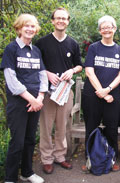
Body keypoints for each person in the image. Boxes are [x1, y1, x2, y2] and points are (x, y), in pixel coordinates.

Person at [1, 14, 48, 183]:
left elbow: (42, 75)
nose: (29, 29)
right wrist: (32, 99)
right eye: (26, 26)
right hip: (19, 103)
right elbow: (11, 80)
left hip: (35, 102)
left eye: (33, 26)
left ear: (36, 30)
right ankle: (10, 178)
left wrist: (40, 97)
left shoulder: (36, 51)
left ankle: (27, 172)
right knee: (17, 142)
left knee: (29, 140)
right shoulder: (11, 49)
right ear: (19, 28)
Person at [35, 7, 82, 174]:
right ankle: (47, 159)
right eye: (58, 18)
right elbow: (36, 64)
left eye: (64, 18)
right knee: (46, 127)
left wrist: (73, 71)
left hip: (65, 92)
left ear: (68, 21)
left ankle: (60, 156)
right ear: (52, 21)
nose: (61, 21)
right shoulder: (41, 42)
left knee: (62, 126)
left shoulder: (73, 43)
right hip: (46, 92)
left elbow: (79, 65)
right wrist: (46, 73)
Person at [82, 15, 120, 171]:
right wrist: (100, 91)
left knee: (112, 128)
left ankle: (112, 157)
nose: (106, 30)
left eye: (109, 27)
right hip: (92, 95)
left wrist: (108, 90)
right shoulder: (94, 48)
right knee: (91, 126)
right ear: (100, 31)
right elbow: (89, 71)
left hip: (112, 96)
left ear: (114, 29)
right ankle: (89, 157)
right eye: (103, 27)